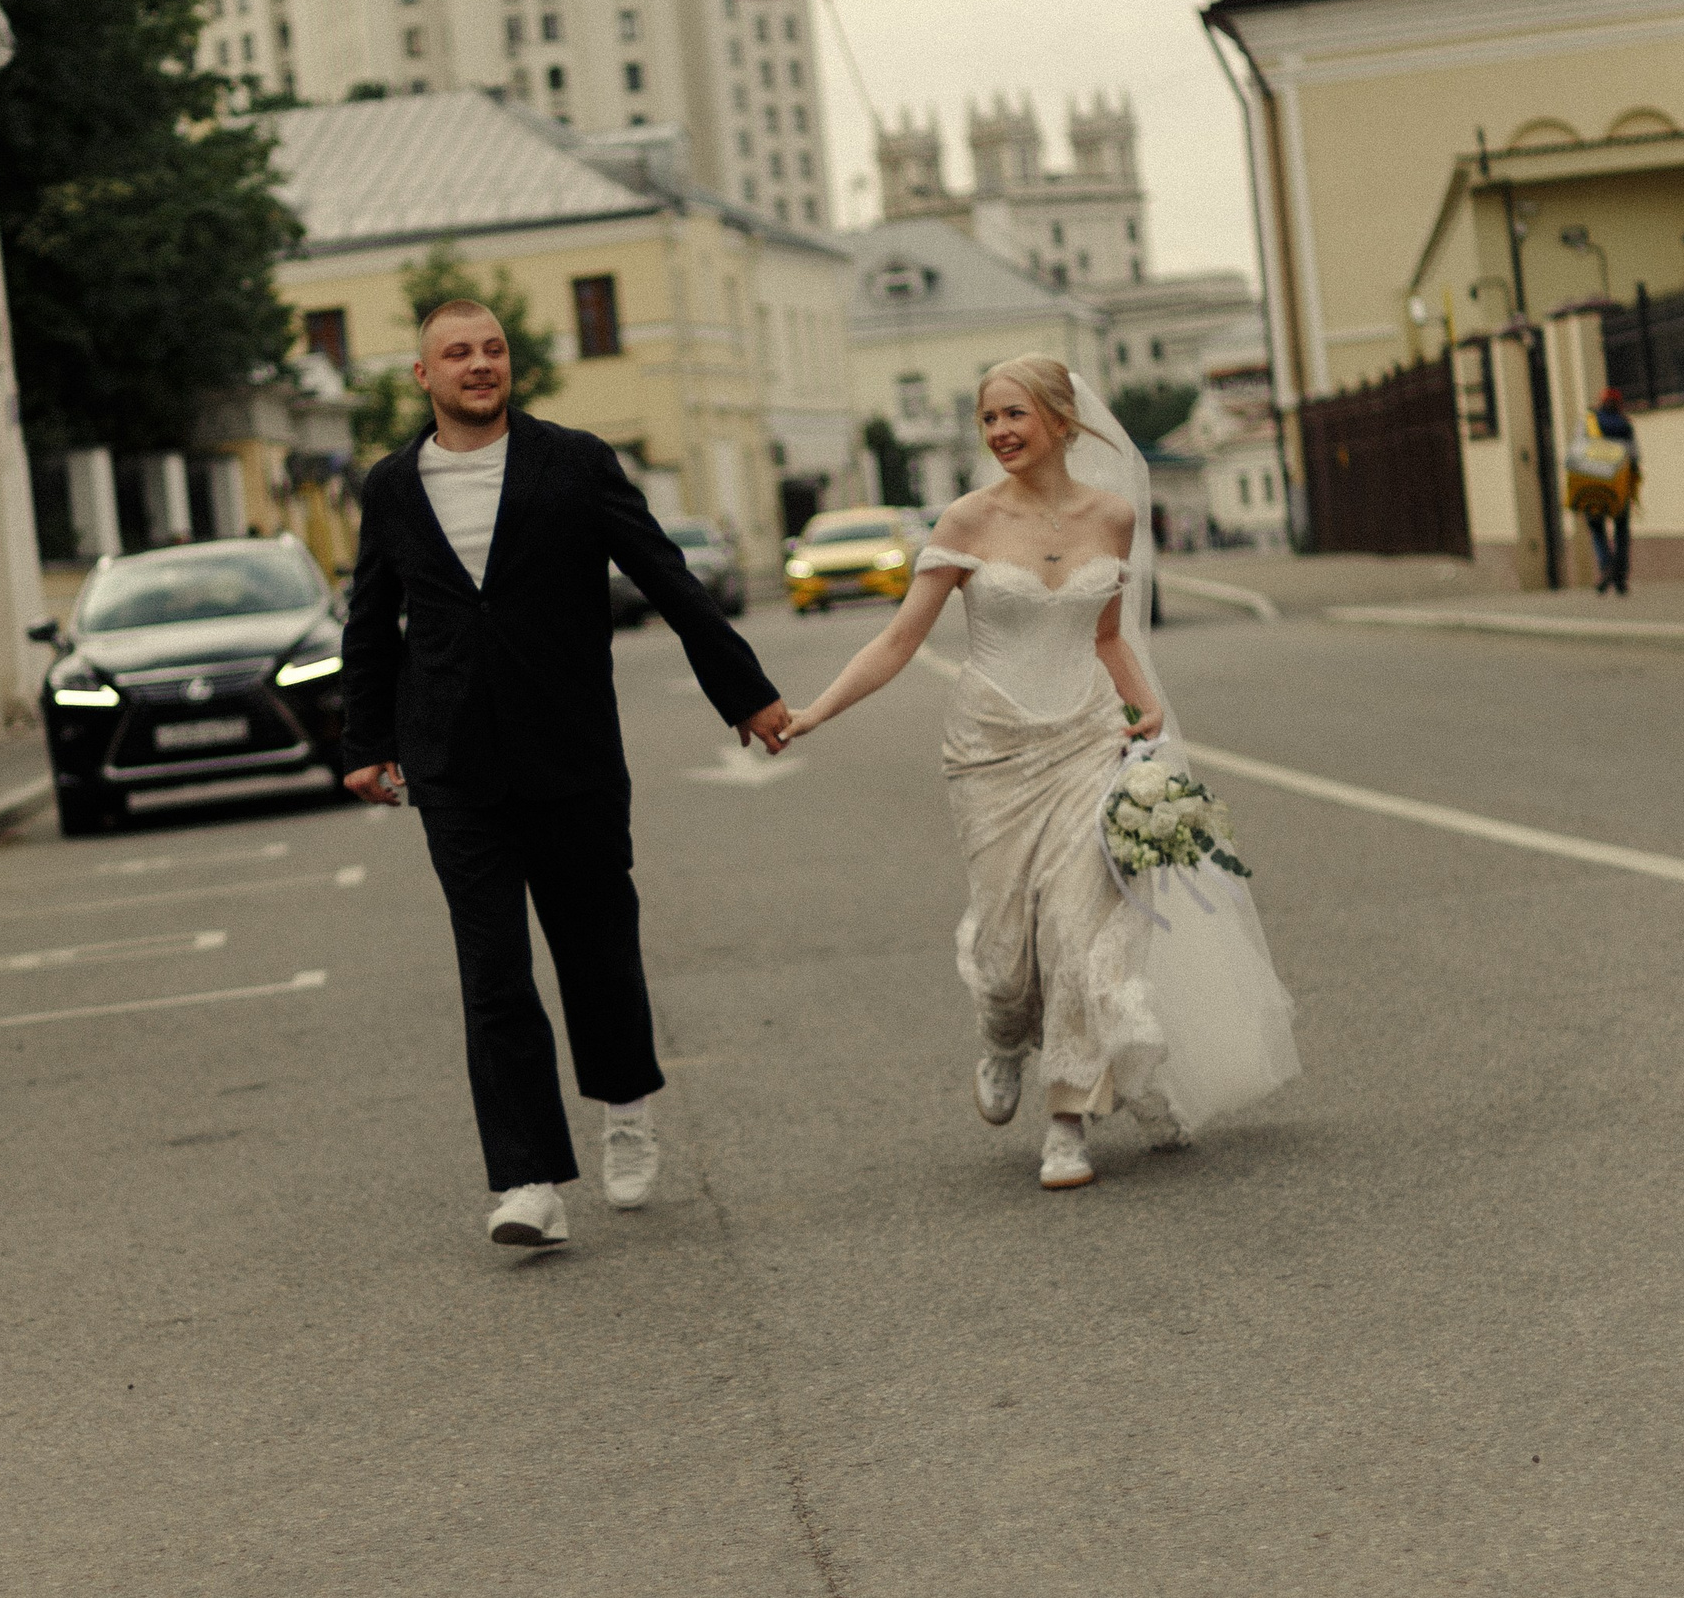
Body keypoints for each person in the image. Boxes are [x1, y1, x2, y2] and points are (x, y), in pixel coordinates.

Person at [340, 298, 791, 1250]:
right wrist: (364, 743)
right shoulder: (390, 487)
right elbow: (371, 624)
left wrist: (745, 693)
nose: (479, 364)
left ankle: (626, 1105)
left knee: (595, 948)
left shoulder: (574, 462)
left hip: (571, 752)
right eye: (457, 353)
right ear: (422, 376)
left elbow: (669, 579)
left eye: (493, 349)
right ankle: (527, 1179)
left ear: (511, 366)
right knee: (493, 972)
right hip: (454, 765)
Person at [783, 357, 1297, 1190]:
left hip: (1089, 741)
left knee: (1079, 934)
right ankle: (1000, 1033)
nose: (1000, 433)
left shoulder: (1115, 517)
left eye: (1014, 415)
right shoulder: (967, 520)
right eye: (989, 420)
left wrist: (1145, 708)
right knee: (1005, 957)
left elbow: (1105, 636)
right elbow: (899, 641)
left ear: (1061, 419)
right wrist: (812, 711)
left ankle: (1066, 1121)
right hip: (992, 749)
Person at [1582, 387, 1640, 595]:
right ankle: (1621, 576)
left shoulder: (1591, 422)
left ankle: (1606, 567)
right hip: (1619, 485)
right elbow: (1634, 458)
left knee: (1597, 528)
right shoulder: (1626, 426)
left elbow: (1579, 454)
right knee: (1621, 530)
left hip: (1597, 483)